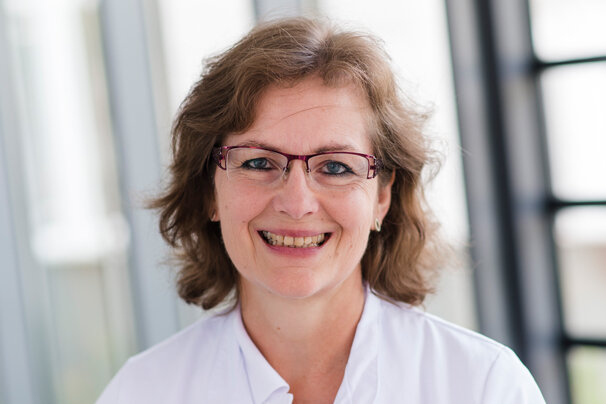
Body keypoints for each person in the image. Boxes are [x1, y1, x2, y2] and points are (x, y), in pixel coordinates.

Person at [97, 17, 545, 404]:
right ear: (210, 191)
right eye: (258, 163)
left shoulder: (483, 385)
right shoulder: (142, 391)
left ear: (382, 196)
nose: (296, 204)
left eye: (335, 167)